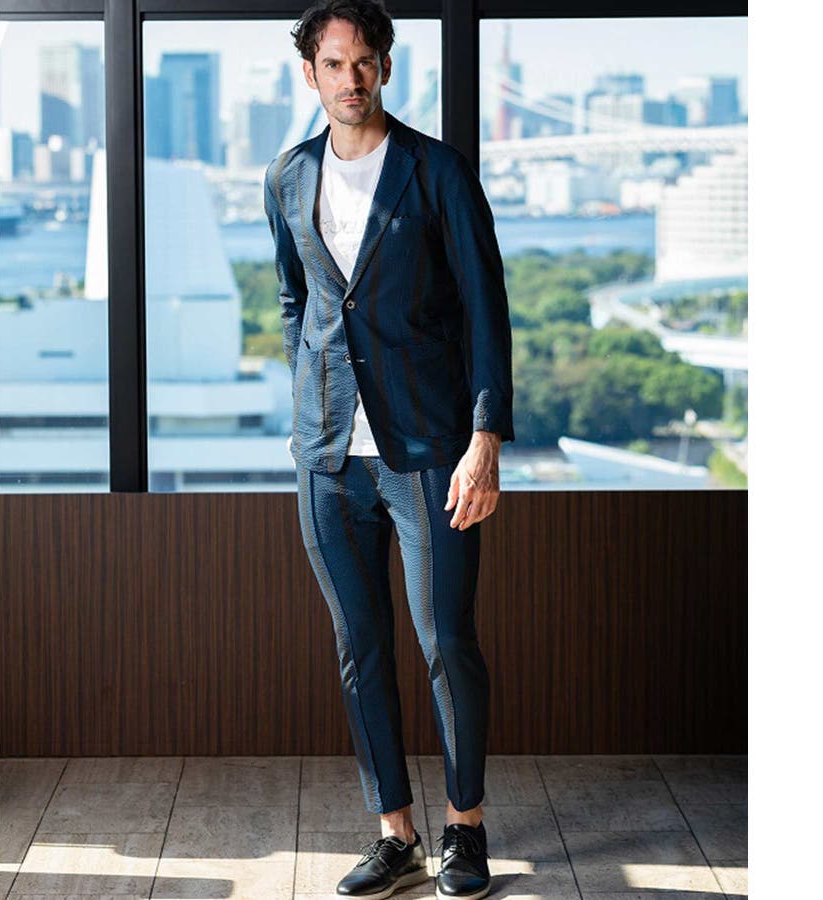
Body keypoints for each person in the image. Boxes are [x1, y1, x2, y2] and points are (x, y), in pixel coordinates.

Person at [263, 2, 514, 897]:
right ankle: (394, 833)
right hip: (328, 456)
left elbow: (485, 307)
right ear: (310, 73)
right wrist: (311, 397)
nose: (352, 79)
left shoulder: (435, 170)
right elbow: (297, 301)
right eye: (334, 64)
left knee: (446, 640)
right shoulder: (288, 175)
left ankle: (465, 829)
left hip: (427, 449)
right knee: (358, 644)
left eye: (365, 61)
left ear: (387, 67)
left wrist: (484, 437)